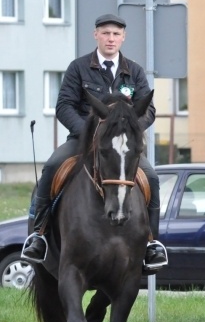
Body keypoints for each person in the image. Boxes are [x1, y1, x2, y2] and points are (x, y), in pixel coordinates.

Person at [21, 14, 167, 272]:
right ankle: (39, 235)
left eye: (116, 34)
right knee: (52, 167)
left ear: (123, 38)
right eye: (106, 33)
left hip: (121, 147)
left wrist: (129, 133)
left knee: (152, 177)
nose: (111, 38)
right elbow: (64, 105)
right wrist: (89, 133)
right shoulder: (78, 67)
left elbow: (148, 110)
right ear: (96, 35)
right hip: (81, 141)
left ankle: (151, 243)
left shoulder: (134, 71)